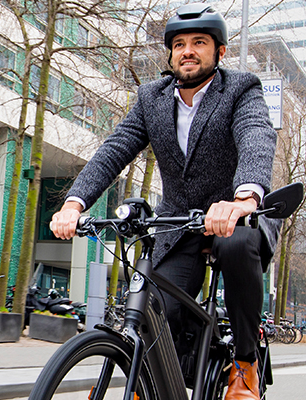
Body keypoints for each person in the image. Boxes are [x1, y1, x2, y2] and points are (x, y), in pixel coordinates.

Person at [48, 4, 278, 400]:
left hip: (235, 216)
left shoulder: (242, 88)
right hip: (180, 224)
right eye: (179, 44)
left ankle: (244, 364)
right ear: (170, 54)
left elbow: (256, 136)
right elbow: (115, 149)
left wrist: (243, 198)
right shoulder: (151, 98)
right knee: (158, 309)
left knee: (238, 244)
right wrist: (74, 203)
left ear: (219, 52)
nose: (188, 51)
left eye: (199, 42)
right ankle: (148, 381)